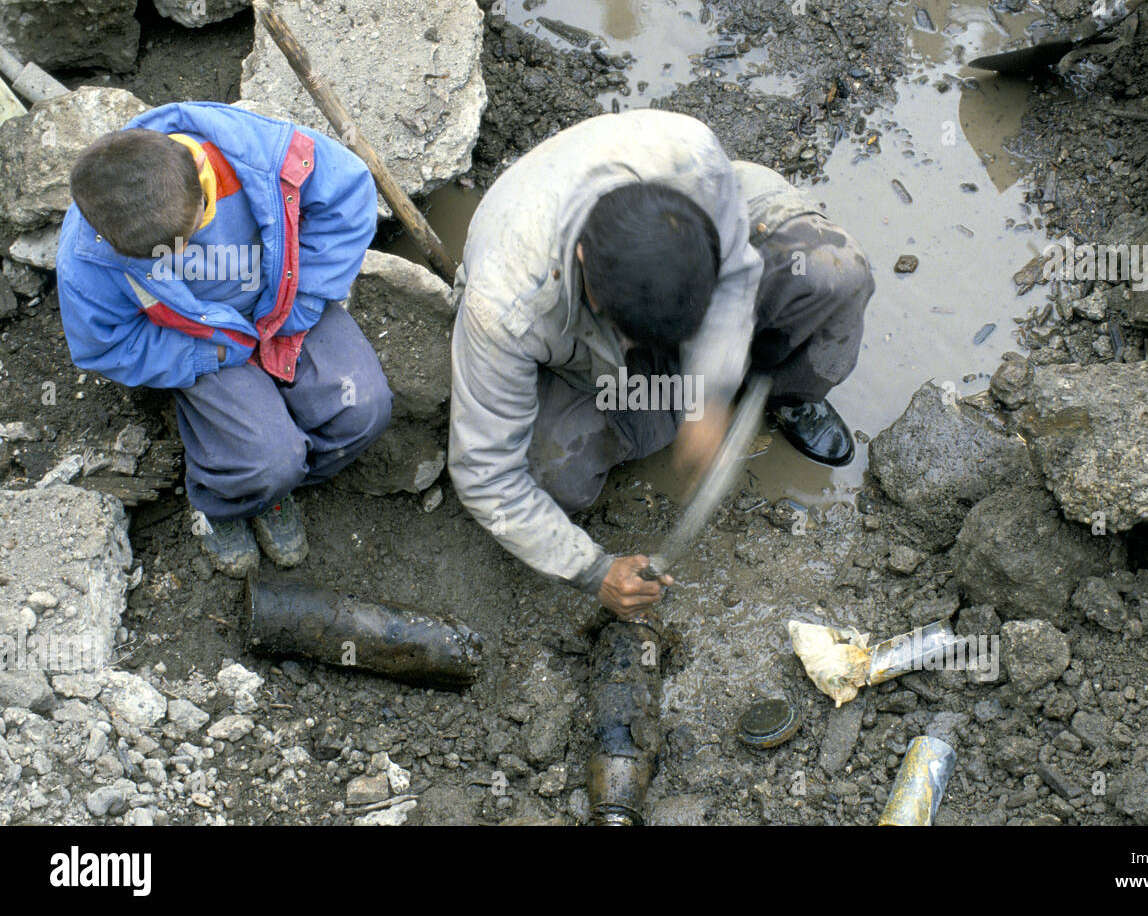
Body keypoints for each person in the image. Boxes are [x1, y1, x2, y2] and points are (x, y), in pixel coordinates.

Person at [449, 109, 873, 619]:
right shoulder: (506, 305)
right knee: (551, 475)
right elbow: (487, 474)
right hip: (578, 358)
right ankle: (665, 401)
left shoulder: (690, 156)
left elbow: (737, 276)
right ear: (585, 262)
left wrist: (711, 394)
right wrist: (592, 569)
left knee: (833, 272)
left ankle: (785, 393)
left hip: (717, 232)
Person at [56, 102, 392, 577]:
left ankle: (279, 484)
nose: (181, 256)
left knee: (364, 410)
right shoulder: (89, 255)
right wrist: (209, 352)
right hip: (201, 339)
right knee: (267, 462)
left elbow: (347, 202)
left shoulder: (264, 155)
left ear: (200, 171)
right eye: (160, 256)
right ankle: (230, 500)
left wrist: (302, 305)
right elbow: (105, 344)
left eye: (187, 237)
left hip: (285, 302)